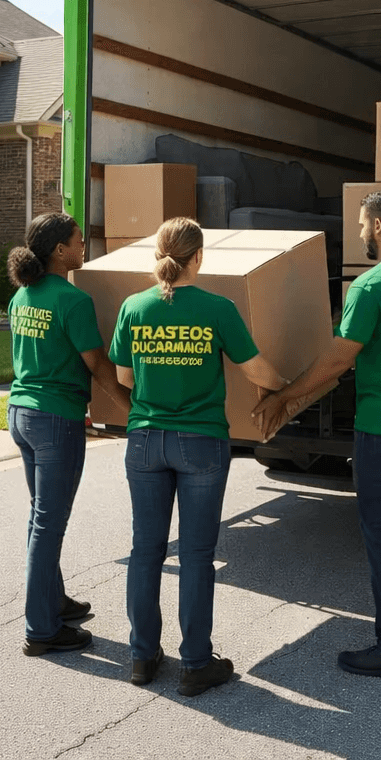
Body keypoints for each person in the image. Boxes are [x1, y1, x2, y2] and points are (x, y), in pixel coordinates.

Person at [253, 189, 381, 681]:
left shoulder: (371, 286)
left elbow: (339, 358)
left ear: (380, 226)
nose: (360, 232)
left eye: (363, 224)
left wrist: (284, 397)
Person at [110, 217, 290, 694]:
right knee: (195, 555)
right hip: (201, 442)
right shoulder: (218, 309)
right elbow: (256, 369)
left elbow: (124, 379)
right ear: (198, 258)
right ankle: (194, 665)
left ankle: (141, 658)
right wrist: (286, 388)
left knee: (145, 551)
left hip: (145, 439)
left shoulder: (134, 306)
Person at [6, 212, 130, 657]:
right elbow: (97, 365)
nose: (83, 248)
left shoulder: (23, 295)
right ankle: (41, 630)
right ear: (59, 250)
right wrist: (134, 411)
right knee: (48, 523)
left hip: (20, 413)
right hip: (56, 420)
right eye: (78, 242)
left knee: (41, 516)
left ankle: (53, 600)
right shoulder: (72, 301)